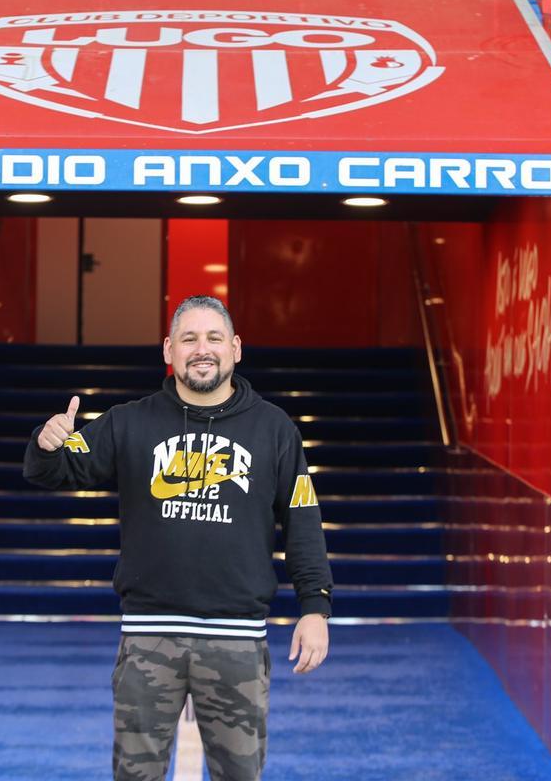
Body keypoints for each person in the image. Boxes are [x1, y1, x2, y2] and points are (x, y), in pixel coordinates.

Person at [23, 295, 333, 781]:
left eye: (213, 338)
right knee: (135, 776)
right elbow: (57, 470)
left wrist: (314, 606)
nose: (201, 349)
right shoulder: (129, 422)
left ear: (235, 348)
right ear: (169, 350)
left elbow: (303, 521)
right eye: (189, 338)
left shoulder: (274, 430)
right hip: (149, 635)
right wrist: (46, 442)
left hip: (237, 639)